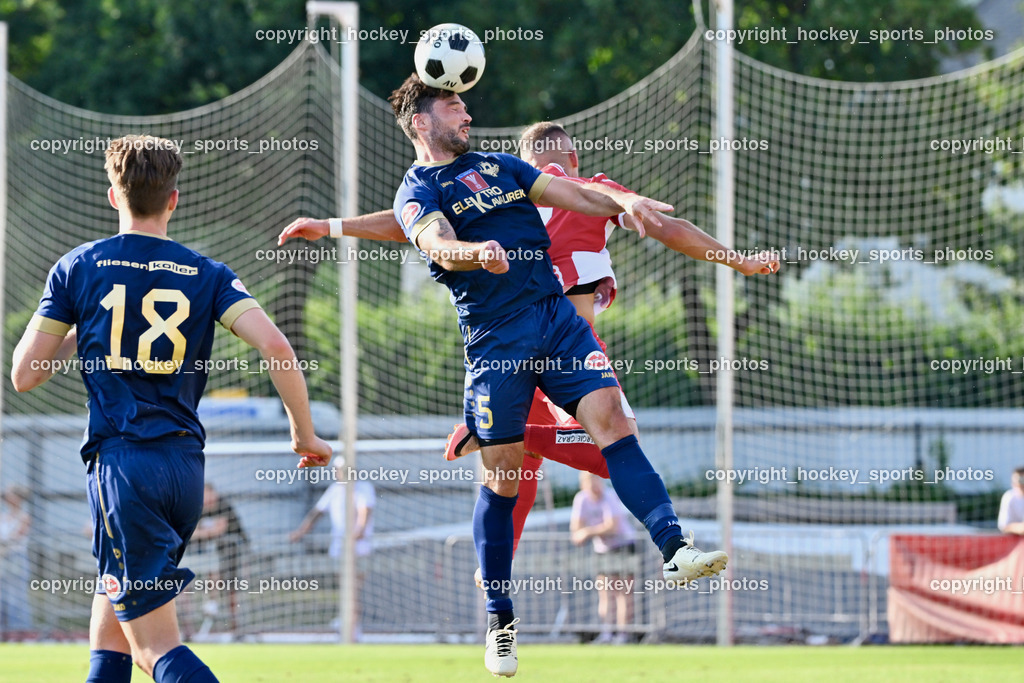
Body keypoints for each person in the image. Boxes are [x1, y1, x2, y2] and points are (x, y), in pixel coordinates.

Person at [278, 121, 779, 563]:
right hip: (563, 337)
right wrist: (736, 259)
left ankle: (494, 572)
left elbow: (410, 224)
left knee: (512, 467)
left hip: (502, 341)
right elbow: (665, 226)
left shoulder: (496, 193)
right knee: (615, 445)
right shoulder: (588, 190)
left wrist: (332, 226)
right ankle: (651, 538)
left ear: (523, 164)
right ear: (573, 161)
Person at [10, 135, 332, 683]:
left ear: (113, 196)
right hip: (184, 473)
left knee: (154, 649)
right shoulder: (207, 272)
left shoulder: (79, 267)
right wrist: (304, 435)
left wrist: (80, 328)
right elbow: (277, 348)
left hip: (123, 468)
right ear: (174, 199)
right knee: (111, 630)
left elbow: (25, 375)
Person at [289, 457, 375, 638]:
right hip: (339, 549)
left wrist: (357, 533)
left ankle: (352, 628)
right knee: (346, 589)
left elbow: (364, 513)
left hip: (358, 549)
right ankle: (348, 623)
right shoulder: (335, 490)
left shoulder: (363, 488)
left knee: (352, 589)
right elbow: (317, 513)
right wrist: (301, 532)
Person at [570, 472, 636, 645]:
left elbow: (612, 526)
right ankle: (606, 633)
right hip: (602, 549)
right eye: (589, 482)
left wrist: (588, 532)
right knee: (605, 592)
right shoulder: (581, 499)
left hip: (623, 546)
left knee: (623, 592)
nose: (594, 486)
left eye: (596, 481)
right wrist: (584, 532)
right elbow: (576, 528)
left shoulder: (609, 496)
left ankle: (623, 634)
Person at [189, 483, 248, 634]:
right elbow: (191, 532)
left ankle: (235, 625)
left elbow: (219, 529)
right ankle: (205, 610)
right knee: (205, 575)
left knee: (231, 588)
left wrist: (204, 532)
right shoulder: (197, 508)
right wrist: (205, 532)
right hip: (208, 555)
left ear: (213, 493)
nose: (205, 498)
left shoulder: (224, 506)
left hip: (232, 553)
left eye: (207, 494)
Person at [0, 486, 33, 637]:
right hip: (2, 558)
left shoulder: (24, 516)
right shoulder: (3, 516)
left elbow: (17, 536)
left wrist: (4, 549)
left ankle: (19, 630)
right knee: (3, 594)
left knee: (17, 595)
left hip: (15, 557)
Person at [997, 466, 1024, 534]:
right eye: (1017, 480)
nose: (1019, 484)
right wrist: (1020, 528)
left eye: (1022, 480)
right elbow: (1003, 526)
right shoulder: (1009, 497)